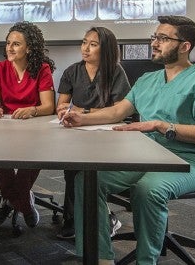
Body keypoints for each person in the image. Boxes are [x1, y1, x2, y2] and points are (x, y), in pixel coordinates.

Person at [62, 15, 195, 264]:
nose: (154, 43)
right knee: (88, 180)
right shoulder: (147, 80)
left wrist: (161, 126)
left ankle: (146, 260)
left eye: (163, 38)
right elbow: (117, 112)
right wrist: (81, 118)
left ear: (185, 46)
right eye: (154, 37)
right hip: (144, 157)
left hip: (185, 162)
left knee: (147, 190)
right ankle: (101, 257)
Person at [56, 27, 131, 239]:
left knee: (90, 171)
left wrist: (84, 112)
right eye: (84, 42)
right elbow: (61, 104)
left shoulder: (116, 72)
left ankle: (103, 215)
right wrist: (64, 110)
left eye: (93, 44)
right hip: (77, 132)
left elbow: (119, 110)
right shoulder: (73, 71)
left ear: (105, 49)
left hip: (108, 135)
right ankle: (71, 218)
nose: (85, 49)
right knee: (71, 168)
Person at [0, 21, 56, 228]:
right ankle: (24, 202)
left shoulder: (42, 69)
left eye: (16, 44)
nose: (9, 48)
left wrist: (32, 110)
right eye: (8, 43)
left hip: (34, 130)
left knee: (32, 159)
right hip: (4, 129)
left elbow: (48, 106)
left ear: (29, 48)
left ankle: (9, 201)